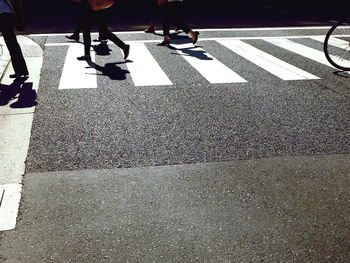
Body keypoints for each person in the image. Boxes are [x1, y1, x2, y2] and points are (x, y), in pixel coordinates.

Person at [0, 0, 28, 78]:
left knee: (11, 44)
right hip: (7, 13)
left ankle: (20, 70)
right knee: (12, 43)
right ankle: (21, 70)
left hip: (3, 15)